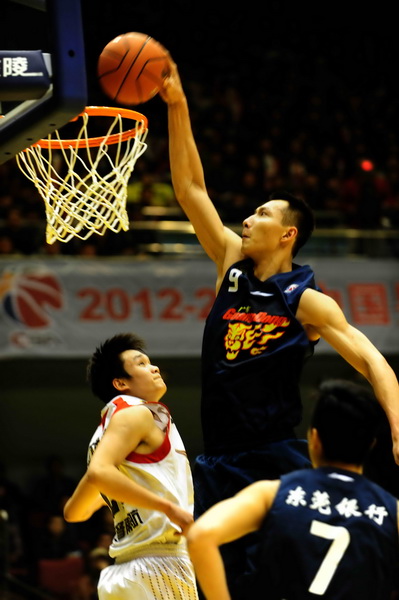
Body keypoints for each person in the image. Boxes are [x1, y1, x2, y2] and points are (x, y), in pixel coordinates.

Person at [160, 57, 399, 594]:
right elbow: (190, 188)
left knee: (288, 576)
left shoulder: (307, 302)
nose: (247, 218)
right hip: (217, 456)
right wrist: (177, 105)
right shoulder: (229, 264)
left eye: (263, 214)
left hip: (273, 454)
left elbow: (370, 359)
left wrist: (398, 421)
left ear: (288, 234)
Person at [186, 380, 399, 600]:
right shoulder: (393, 511)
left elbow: (201, 536)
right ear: (371, 445)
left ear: (314, 438)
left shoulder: (270, 493)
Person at [63, 333, 199, 600]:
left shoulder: (101, 436)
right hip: (158, 564)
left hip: (123, 571)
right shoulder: (138, 414)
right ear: (120, 382)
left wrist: (122, 493)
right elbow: (100, 473)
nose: (154, 368)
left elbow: (74, 512)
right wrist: (168, 508)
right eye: (142, 364)